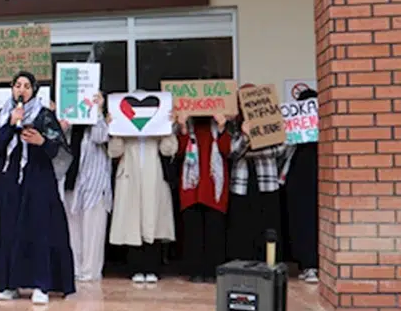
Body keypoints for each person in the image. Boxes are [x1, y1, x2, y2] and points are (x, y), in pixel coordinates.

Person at [0, 71, 73, 304]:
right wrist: (11, 123)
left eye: (27, 86)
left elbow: (58, 148)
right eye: (18, 85)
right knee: (8, 230)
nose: (21, 90)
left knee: (39, 229)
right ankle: (9, 284)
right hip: (8, 180)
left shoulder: (44, 115)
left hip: (37, 179)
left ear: (34, 90)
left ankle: (41, 284)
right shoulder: (3, 114)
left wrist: (41, 141)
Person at [109, 109, 178, 287]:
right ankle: (135, 268)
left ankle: (152, 268)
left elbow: (168, 150)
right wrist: (115, 129)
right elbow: (114, 152)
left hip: (153, 177)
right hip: (129, 177)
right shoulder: (125, 125)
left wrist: (168, 127)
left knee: (152, 221)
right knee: (132, 223)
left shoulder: (157, 124)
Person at [227, 88, 287, 263]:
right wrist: (246, 137)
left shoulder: (272, 122)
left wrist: (249, 152)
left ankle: (269, 263)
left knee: (268, 226)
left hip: (267, 183)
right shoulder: (233, 126)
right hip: (242, 185)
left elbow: (281, 149)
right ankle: (243, 264)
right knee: (243, 227)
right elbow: (232, 152)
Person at [61, 93, 112, 284]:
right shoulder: (69, 118)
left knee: (93, 228)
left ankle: (90, 271)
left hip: (94, 182)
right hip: (70, 180)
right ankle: (74, 269)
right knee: (72, 228)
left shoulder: (101, 118)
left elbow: (101, 137)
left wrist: (97, 111)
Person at [175, 112, 232, 283]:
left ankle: (212, 271)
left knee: (214, 230)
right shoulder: (185, 124)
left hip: (214, 187)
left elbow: (227, 150)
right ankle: (195, 271)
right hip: (191, 188)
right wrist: (183, 128)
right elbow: (178, 151)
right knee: (193, 231)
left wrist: (222, 128)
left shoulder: (222, 124)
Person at [280, 89, 319, 284]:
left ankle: (311, 264)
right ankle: (306, 264)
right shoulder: (294, 136)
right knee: (301, 222)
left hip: (309, 181)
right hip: (298, 181)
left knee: (308, 222)